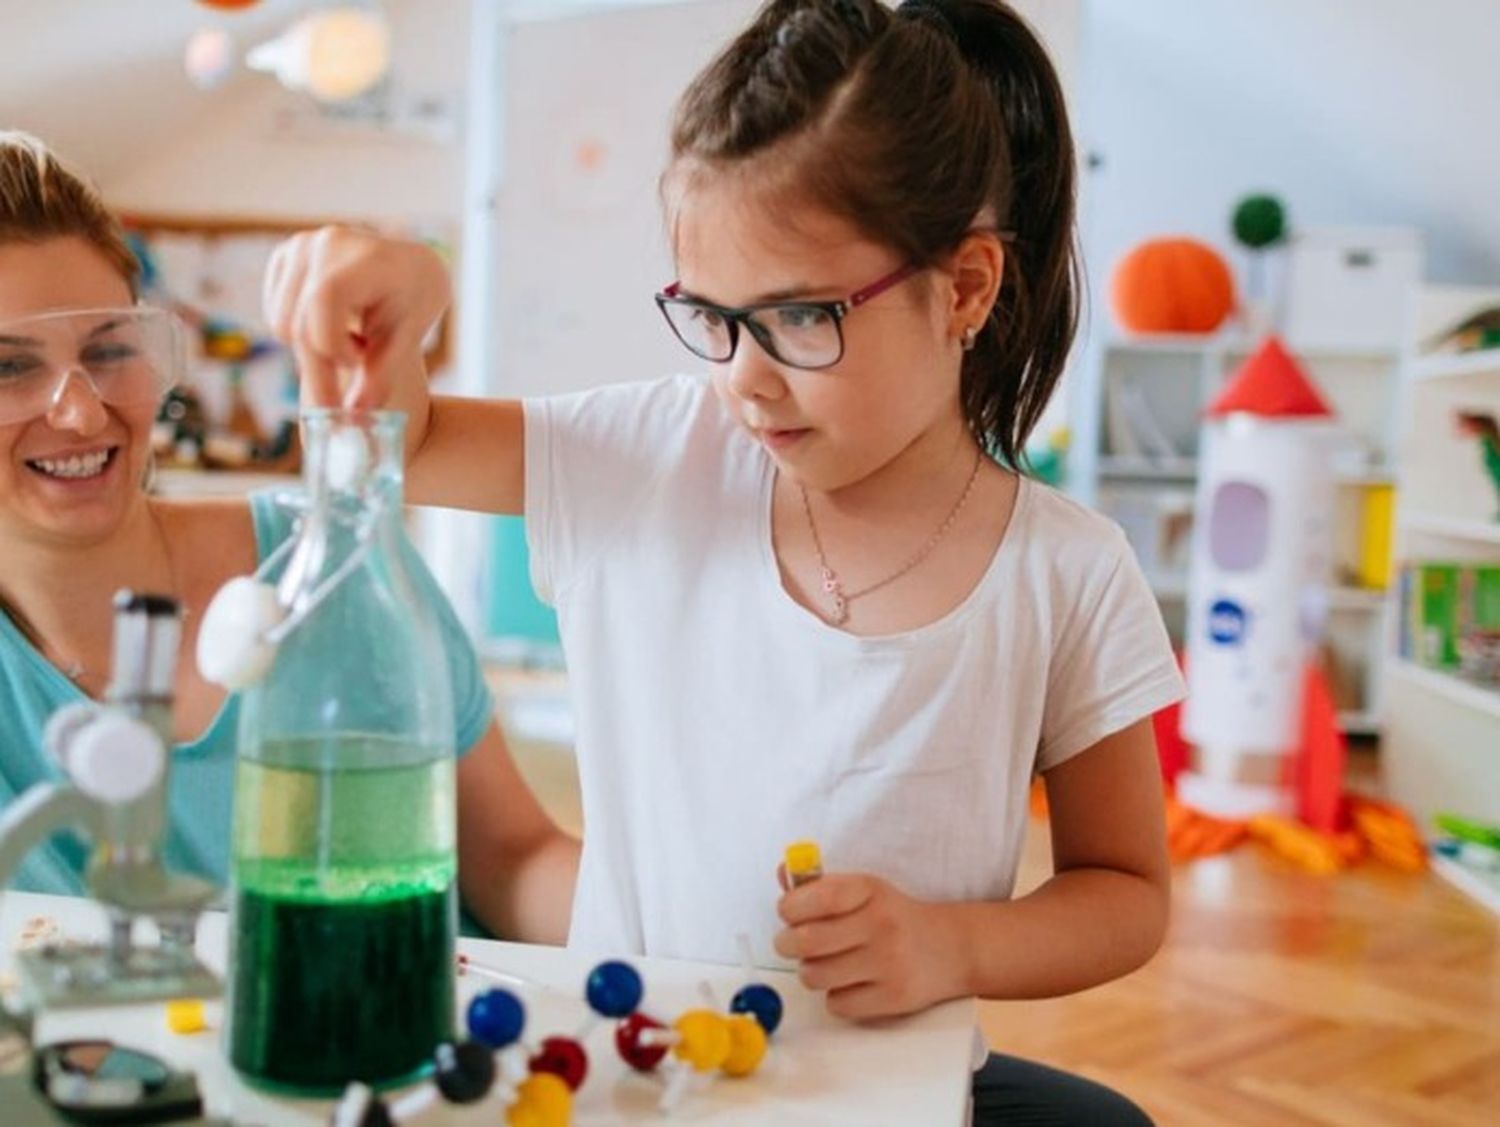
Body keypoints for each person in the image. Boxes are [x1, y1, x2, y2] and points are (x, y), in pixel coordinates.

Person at [266, 2, 1181, 1121]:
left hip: (882, 1090)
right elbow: (394, 433)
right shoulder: (650, 455)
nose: (745, 376)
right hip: (625, 1075)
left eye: (801, 316)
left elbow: (1126, 892)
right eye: (715, 314)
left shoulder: (1067, 572)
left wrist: (952, 942)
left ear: (969, 288)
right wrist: (397, 288)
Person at [0, 130, 579, 944]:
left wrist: (712, 923)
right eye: (8, 367)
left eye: (108, 352)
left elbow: (515, 859)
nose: (82, 411)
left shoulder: (335, 565)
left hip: (399, 1048)